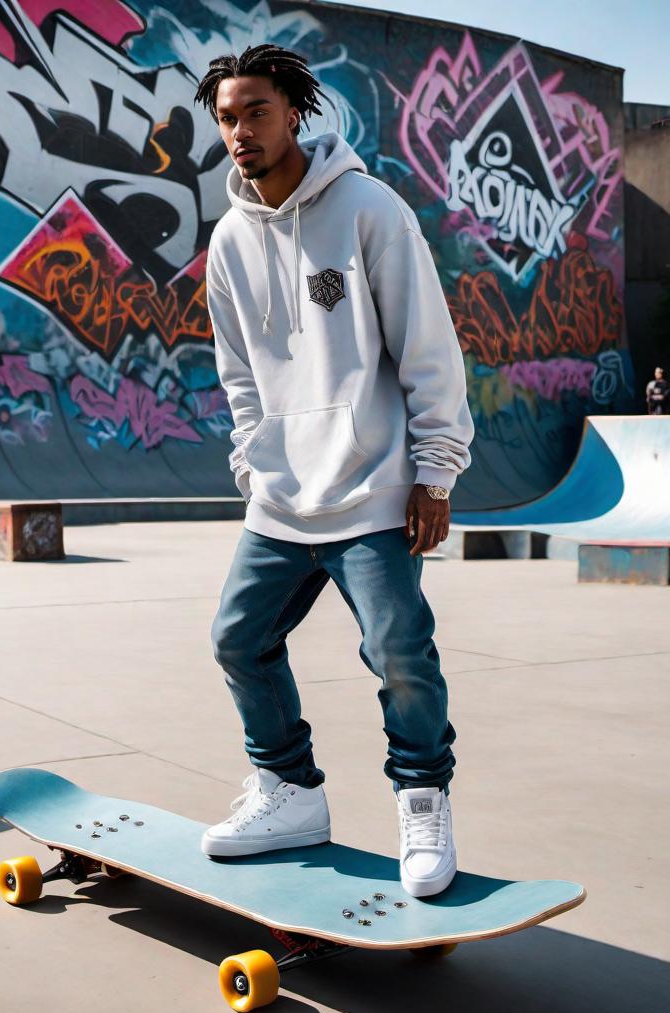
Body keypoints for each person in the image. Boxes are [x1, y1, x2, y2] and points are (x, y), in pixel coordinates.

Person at [194, 44, 474, 898]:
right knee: (238, 640)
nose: (241, 131)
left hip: (373, 488)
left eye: (257, 112)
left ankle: (422, 798)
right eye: (228, 118)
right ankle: (289, 791)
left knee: (398, 652)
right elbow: (238, 372)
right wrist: (255, 462)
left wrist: (435, 474)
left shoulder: (368, 211)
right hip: (282, 498)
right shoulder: (229, 242)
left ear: (294, 114)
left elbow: (428, 348)